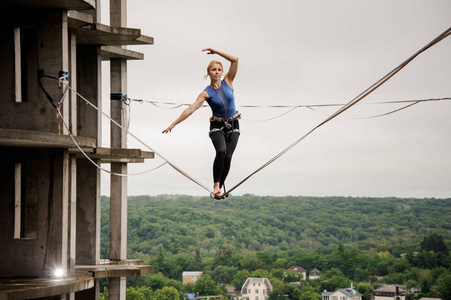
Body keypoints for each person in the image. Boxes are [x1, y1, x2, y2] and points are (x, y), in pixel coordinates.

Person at [162, 48, 240, 199]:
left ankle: (219, 190)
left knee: (228, 156)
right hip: (217, 126)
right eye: (213, 70)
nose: (216, 72)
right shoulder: (206, 93)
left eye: (219, 70)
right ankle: (216, 185)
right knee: (221, 151)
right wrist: (173, 124)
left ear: (222, 72)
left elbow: (235, 60)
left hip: (233, 124)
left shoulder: (228, 82)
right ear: (208, 73)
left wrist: (216, 52)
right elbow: (191, 109)